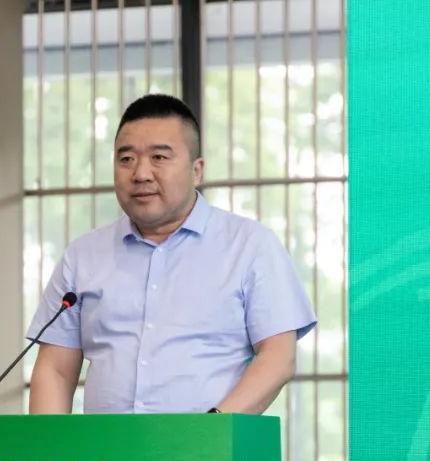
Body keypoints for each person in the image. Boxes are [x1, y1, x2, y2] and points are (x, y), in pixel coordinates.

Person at [27, 94, 316, 414]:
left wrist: (211, 428)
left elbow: (278, 357)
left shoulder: (250, 246)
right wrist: (48, 444)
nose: (141, 173)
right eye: (126, 159)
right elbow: (55, 370)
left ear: (197, 170)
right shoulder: (82, 257)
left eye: (159, 157)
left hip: (209, 443)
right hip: (105, 446)